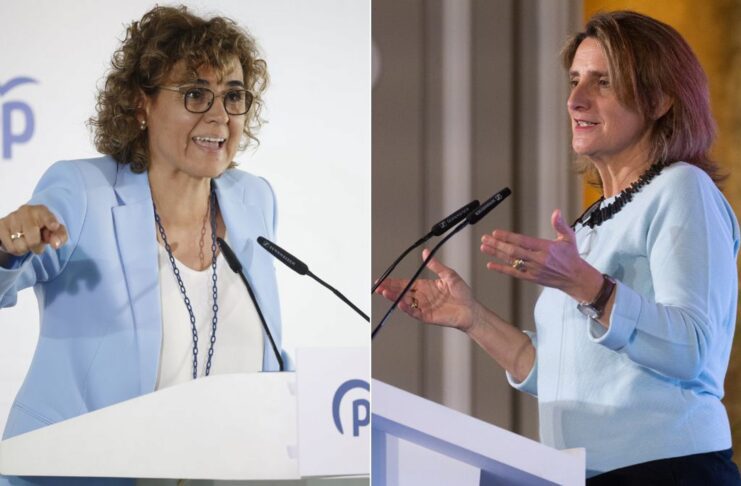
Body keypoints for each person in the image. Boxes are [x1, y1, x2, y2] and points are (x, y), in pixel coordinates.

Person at [376, 10, 741, 483]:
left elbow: (692, 348)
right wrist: (473, 319)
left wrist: (588, 286)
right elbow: (563, 372)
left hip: (669, 471)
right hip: (579, 472)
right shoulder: (590, 223)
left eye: (602, 82)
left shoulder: (682, 189)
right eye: (574, 80)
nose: (575, 100)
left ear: (659, 100)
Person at [0, 6, 285, 484]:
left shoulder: (254, 199)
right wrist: (7, 245)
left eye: (233, 96)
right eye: (196, 94)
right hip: (77, 474)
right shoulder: (83, 193)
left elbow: (268, 356)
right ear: (141, 105)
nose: (219, 115)